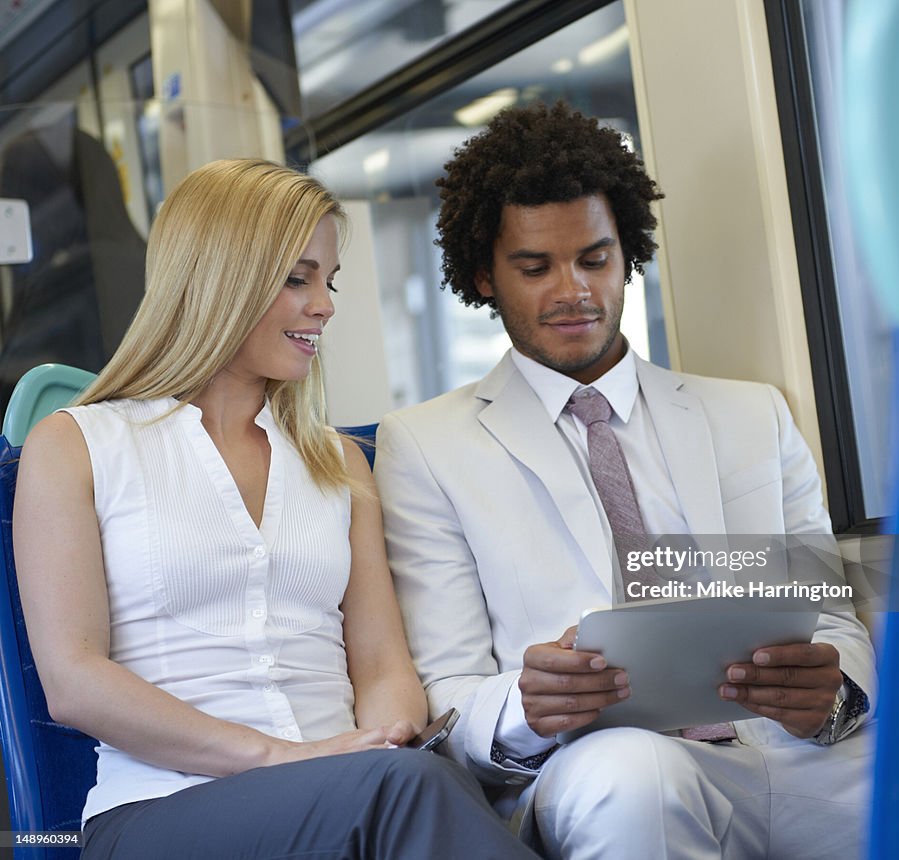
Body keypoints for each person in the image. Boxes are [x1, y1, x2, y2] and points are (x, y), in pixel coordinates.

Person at [374, 103, 877, 858]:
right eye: (535, 267)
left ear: (627, 255)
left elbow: (828, 618)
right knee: (633, 776)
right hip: (604, 759)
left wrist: (830, 697)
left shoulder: (750, 415)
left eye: (595, 259)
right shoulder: (425, 444)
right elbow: (447, 684)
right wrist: (526, 706)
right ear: (484, 274)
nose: (573, 291)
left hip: (793, 750)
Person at [12, 158, 536, 860]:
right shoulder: (76, 446)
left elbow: (382, 667)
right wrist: (282, 758)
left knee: (432, 784)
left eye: (330, 280)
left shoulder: (340, 464)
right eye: (298, 278)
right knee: (406, 792)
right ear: (220, 278)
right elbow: (74, 683)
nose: (325, 304)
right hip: (162, 809)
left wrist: (381, 738)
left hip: (352, 790)